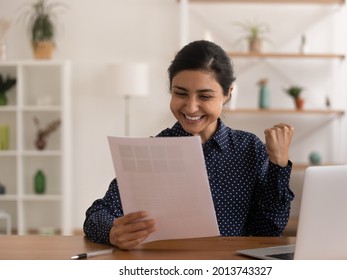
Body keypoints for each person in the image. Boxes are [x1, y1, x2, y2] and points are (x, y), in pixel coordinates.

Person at [83, 40, 295, 251]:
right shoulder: (151, 151)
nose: (191, 107)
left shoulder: (248, 148)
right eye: (181, 93)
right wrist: (113, 231)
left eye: (205, 96)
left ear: (227, 93)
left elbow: (268, 230)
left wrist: (279, 164)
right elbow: (95, 216)